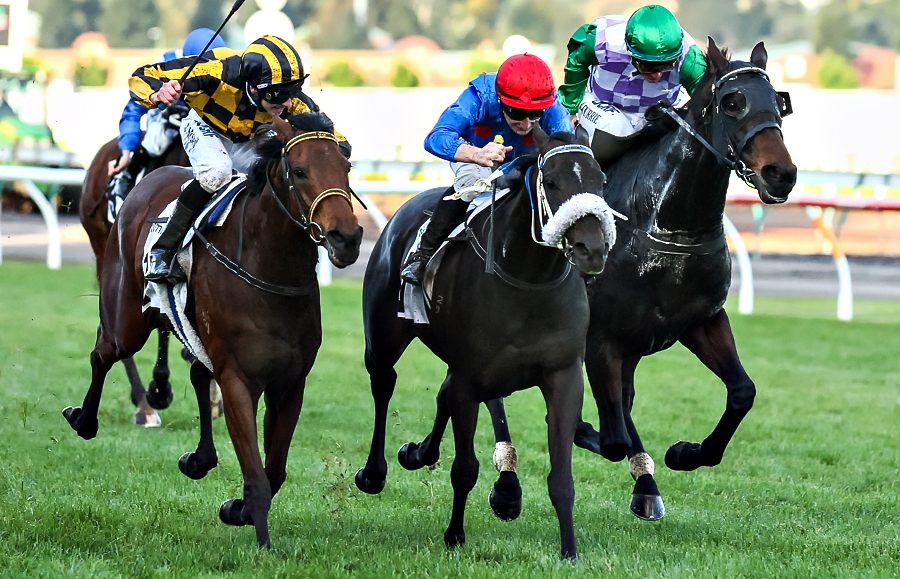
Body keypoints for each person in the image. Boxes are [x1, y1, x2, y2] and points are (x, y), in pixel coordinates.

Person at [128, 34, 350, 283]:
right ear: (253, 87)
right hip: (205, 126)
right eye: (279, 95)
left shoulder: (290, 99)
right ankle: (163, 248)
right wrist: (157, 94)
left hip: (249, 138)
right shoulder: (214, 70)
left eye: (292, 92)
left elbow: (338, 142)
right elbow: (142, 76)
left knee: (275, 172)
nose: (288, 102)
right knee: (217, 172)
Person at [400, 53, 573, 286]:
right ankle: (423, 253)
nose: (526, 124)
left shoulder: (552, 106)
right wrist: (477, 154)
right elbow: (436, 137)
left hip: (527, 159)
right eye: (517, 113)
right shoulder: (480, 95)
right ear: (500, 100)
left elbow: (567, 152)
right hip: (477, 154)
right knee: (472, 180)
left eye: (535, 115)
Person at [106, 28, 227, 206]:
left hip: (202, 115)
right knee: (157, 141)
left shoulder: (226, 67)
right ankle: (126, 177)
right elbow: (134, 108)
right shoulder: (164, 65)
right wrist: (127, 147)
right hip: (167, 114)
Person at [558, 4, 707, 141]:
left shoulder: (690, 59)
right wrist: (570, 110)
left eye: (666, 65)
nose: (657, 75)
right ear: (630, 52)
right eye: (648, 67)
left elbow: (707, 99)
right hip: (601, 103)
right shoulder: (600, 40)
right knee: (617, 131)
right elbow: (577, 59)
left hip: (657, 113)